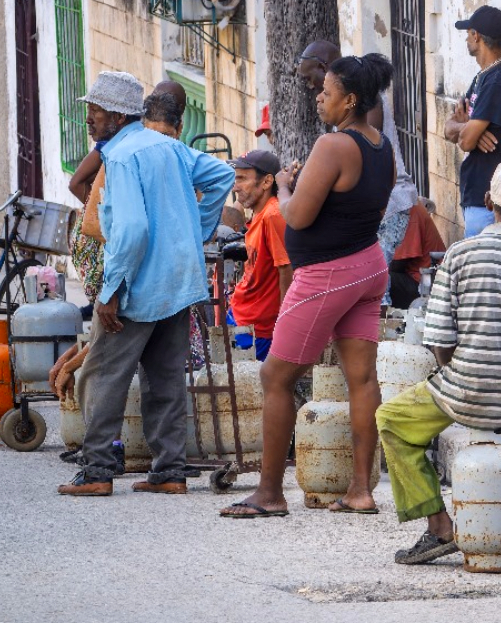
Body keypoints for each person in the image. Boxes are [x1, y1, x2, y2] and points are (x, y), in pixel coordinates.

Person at [221, 53, 396, 518]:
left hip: (327, 273)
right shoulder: (380, 145)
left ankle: (269, 494)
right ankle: (361, 489)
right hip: (367, 266)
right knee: (361, 379)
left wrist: (283, 184)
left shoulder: (333, 145)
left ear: (350, 99)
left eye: (327, 91)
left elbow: (296, 215)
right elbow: (363, 205)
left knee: (276, 375)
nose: (319, 97)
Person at [375, 160, 501, 564]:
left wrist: (455, 372)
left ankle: (439, 527)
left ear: (488, 202)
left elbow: (439, 340)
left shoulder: (461, 254)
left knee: (391, 421)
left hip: (467, 390)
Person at [57, 72, 233, 496]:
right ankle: (168, 471)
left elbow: (131, 230)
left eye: (95, 112)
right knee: (164, 377)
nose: (89, 120)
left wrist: (110, 291)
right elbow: (222, 178)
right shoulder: (171, 147)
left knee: (102, 374)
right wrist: (196, 233)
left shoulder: (120, 157)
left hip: (141, 284)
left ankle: (98, 471)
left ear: (118, 117)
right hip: (179, 279)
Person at [296, 39, 429, 308]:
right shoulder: (343, 107)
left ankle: (383, 343)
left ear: (324, 68)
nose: (312, 88)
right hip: (374, 205)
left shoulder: (365, 103)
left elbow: (366, 154)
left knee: (373, 284)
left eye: (312, 79)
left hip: (388, 204)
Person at [444, 5, 501, 238]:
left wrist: (470, 131)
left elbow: (466, 142)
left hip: (491, 200)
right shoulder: (483, 77)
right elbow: (449, 129)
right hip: (480, 198)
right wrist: (467, 127)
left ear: (476, 35)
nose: (467, 39)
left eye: (468, 33)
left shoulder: (497, 81)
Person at [226, 150, 291, 361]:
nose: (235, 187)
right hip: (241, 315)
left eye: (242, 179)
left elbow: (286, 269)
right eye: (235, 179)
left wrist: (285, 321)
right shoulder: (259, 214)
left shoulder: (273, 215)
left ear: (266, 182)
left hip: (259, 328)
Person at [387, 202, 446, 309]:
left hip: (425, 285)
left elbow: (396, 265)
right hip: (415, 277)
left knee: (373, 280)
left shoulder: (406, 211)